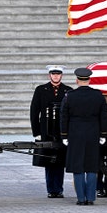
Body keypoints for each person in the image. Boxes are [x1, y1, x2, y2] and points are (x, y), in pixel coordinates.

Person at [60, 68, 107, 206]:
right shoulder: (98, 95)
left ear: (77, 80)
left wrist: (64, 135)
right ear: (89, 80)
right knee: (91, 166)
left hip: (75, 133)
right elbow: (103, 116)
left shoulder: (70, 96)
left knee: (78, 166)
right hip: (93, 132)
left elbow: (64, 117)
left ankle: (81, 199)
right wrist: (103, 134)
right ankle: (91, 198)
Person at [30, 65, 73, 199]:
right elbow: (34, 111)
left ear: (61, 75)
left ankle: (58, 189)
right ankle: (51, 189)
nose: (55, 76)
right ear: (49, 75)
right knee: (48, 160)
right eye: (53, 74)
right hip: (46, 130)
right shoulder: (41, 90)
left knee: (60, 161)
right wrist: (36, 131)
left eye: (58, 74)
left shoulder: (68, 91)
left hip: (61, 131)